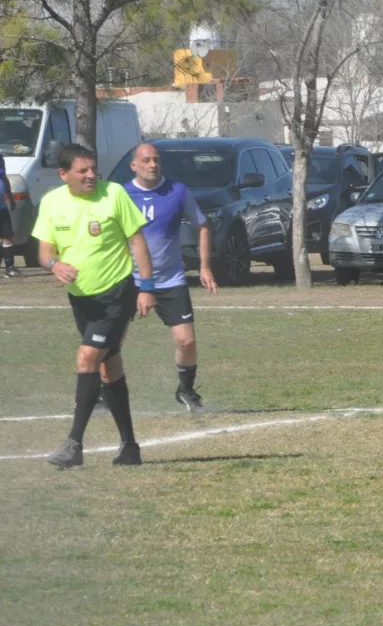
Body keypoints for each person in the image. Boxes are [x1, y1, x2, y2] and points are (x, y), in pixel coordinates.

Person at [32, 144, 156, 468]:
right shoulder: (51, 202)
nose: (91, 175)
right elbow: (44, 252)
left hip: (116, 293)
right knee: (108, 367)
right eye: (82, 171)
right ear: (63, 174)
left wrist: (147, 287)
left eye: (93, 169)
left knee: (87, 357)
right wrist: (54, 264)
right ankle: (130, 446)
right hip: (81, 299)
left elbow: (138, 242)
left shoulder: (113, 194)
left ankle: (74, 444)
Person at [123, 143, 219, 413]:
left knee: (186, 341)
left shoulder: (177, 191)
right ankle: (103, 393)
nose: (153, 165)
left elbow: (202, 225)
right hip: (128, 279)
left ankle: (186, 390)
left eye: (156, 160)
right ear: (134, 165)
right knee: (112, 341)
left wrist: (205, 267)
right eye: (146, 160)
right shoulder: (121, 194)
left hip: (170, 279)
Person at [0, 153, 16, 277]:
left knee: (7, 236)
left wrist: (10, 196)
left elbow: (4, 177)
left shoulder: (0, 158)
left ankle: (10, 268)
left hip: (2, 207)